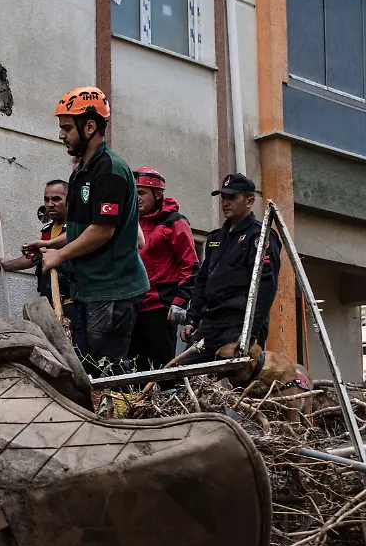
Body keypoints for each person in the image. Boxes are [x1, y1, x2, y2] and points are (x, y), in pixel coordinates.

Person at [24, 86, 148, 377]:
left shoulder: (110, 170)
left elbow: (102, 231)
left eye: (67, 128)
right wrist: (50, 245)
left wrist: (60, 256)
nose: (61, 134)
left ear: (90, 126)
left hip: (113, 291)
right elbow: (80, 230)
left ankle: (120, 407)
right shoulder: (82, 171)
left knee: (106, 370)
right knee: (91, 368)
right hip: (92, 289)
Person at [180, 173, 280, 363]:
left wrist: (251, 330)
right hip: (211, 322)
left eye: (232, 197)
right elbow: (202, 281)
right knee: (182, 373)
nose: (225, 202)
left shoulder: (259, 235)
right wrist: (192, 318)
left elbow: (266, 285)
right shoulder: (216, 238)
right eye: (223, 197)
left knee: (235, 375)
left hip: (240, 322)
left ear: (249, 201)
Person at [127, 167, 199, 372]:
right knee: (134, 368)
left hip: (160, 307)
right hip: (132, 305)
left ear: (157, 194)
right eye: (134, 193)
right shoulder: (130, 222)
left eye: (142, 193)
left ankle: (167, 392)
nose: (137, 198)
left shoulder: (174, 222)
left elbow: (191, 265)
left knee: (162, 366)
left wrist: (180, 301)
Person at [0, 180, 77, 329]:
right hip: (49, 303)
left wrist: (45, 245)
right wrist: (8, 264)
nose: (50, 204)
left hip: (73, 302)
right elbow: (36, 258)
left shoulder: (78, 227)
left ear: (69, 200)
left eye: (56, 199)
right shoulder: (47, 230)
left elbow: (70, 240)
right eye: (47, 199)